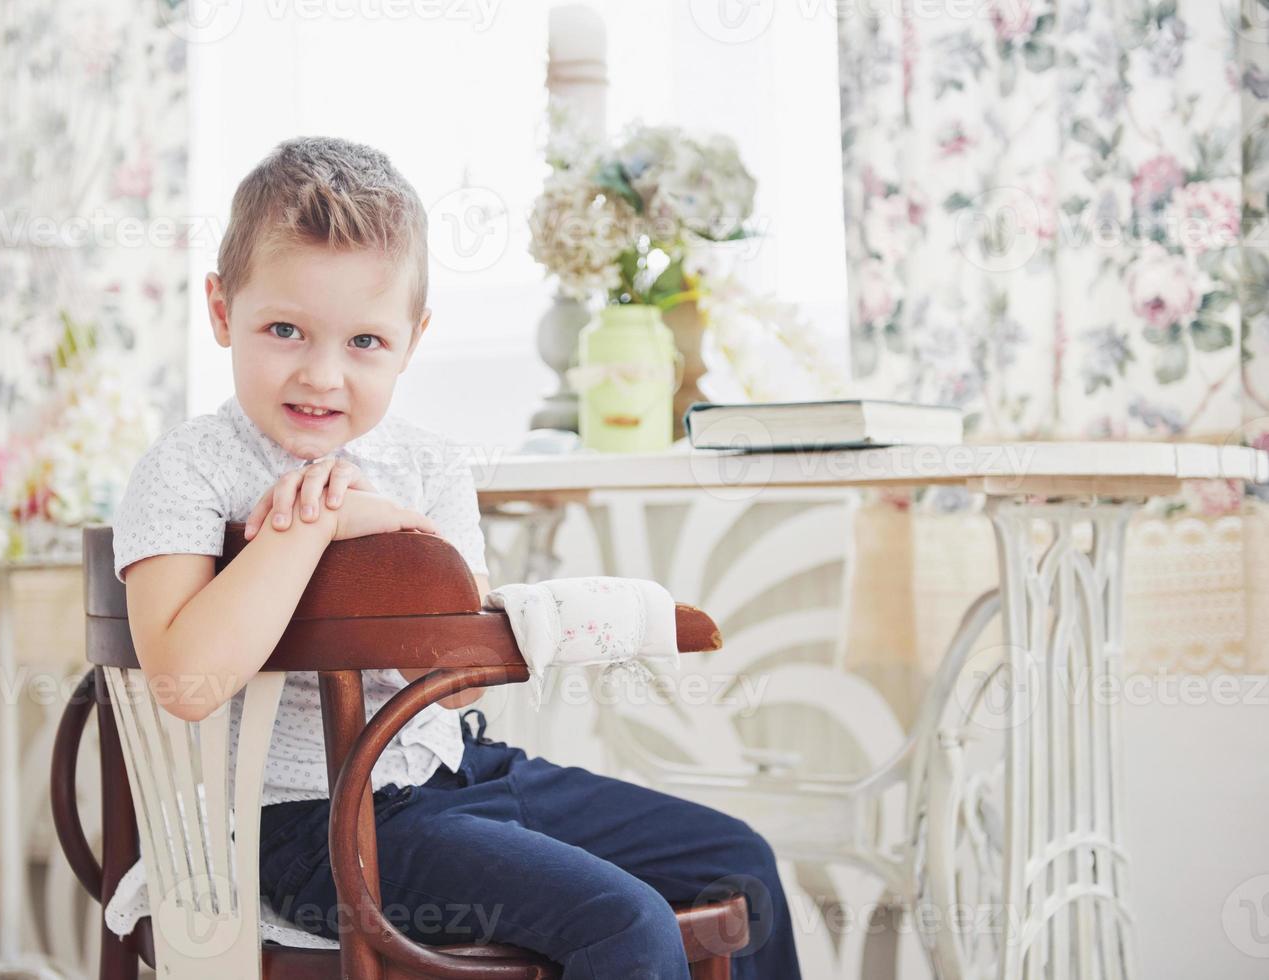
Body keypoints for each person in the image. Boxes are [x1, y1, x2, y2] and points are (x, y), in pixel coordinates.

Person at [110, 135, 802, 979]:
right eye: (284, 329)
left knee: (740, 864)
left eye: (364, 342)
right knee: (622, 924)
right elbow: (184, 682)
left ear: (412, 337)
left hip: (453, 771)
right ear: (221, 312)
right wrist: (308, 526)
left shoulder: (427, 465)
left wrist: (380, 520)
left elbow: (451, 668)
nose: (322, 376)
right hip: (297, 824)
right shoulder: (189, 469)